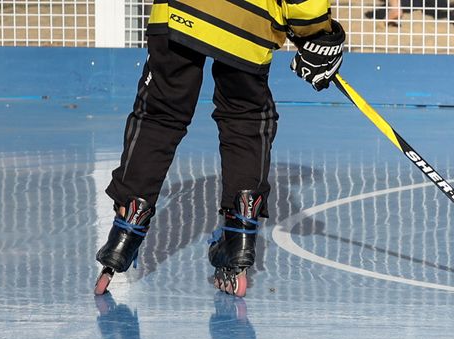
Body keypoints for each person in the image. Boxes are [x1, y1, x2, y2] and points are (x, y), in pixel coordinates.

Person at [93, 0, 347, 297]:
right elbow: (305, 6)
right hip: (247, 22)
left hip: (179, 11)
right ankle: (238, 235)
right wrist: (319, 34)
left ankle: (127, 225)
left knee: (159, 114)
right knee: (246, 119)